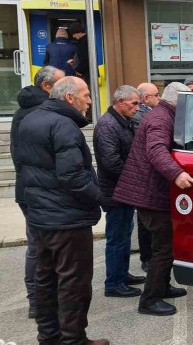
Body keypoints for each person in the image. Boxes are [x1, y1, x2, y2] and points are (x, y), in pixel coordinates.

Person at [15, 76, 109, 345]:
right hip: (67, 219)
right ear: (69, 98)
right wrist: (100, 197)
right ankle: (73, 339)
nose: (90, 101)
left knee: (46, 279)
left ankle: (49, 337)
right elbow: (72, 177)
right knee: (74, 283)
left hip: (41, 215)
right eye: (86, 95)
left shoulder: (30, 119)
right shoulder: (64, 125)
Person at [113, 82, 193, 317]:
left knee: (166, 246)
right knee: (163, 249)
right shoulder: (160, 119)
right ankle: (149, 299)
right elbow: (156, 150)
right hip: (150, 194)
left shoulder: (164, 115)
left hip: (153, 192)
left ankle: (162, 286)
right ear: (177, 100)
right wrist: (177, 173)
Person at [10, 65, 64, 319]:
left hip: (32, 188)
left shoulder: (32, 110)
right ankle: (37, 300)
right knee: (38, 247)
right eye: (61, 83)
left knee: (41, 246)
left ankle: (43, 298)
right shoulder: (37, 112)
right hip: (34, 191)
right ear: (46, 86)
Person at [95, 85, 146, 299]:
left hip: (124, 190)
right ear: (120, 102)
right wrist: (135, 176)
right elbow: (111, 162)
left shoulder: (124, 122)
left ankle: (122, 275)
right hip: (115, 192)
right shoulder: (107, 125)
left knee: (125, 234)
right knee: (117, 237)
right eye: (134, 103)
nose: (138, 107)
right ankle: (114, 283)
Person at [132, 82, 159, 272]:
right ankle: (147, 259)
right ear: (146, 98)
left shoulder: (147, 113)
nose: (160, 97)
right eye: (156, 94)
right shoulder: (141, 117)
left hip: (148, 176)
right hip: (143, 176)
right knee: (145, 223)